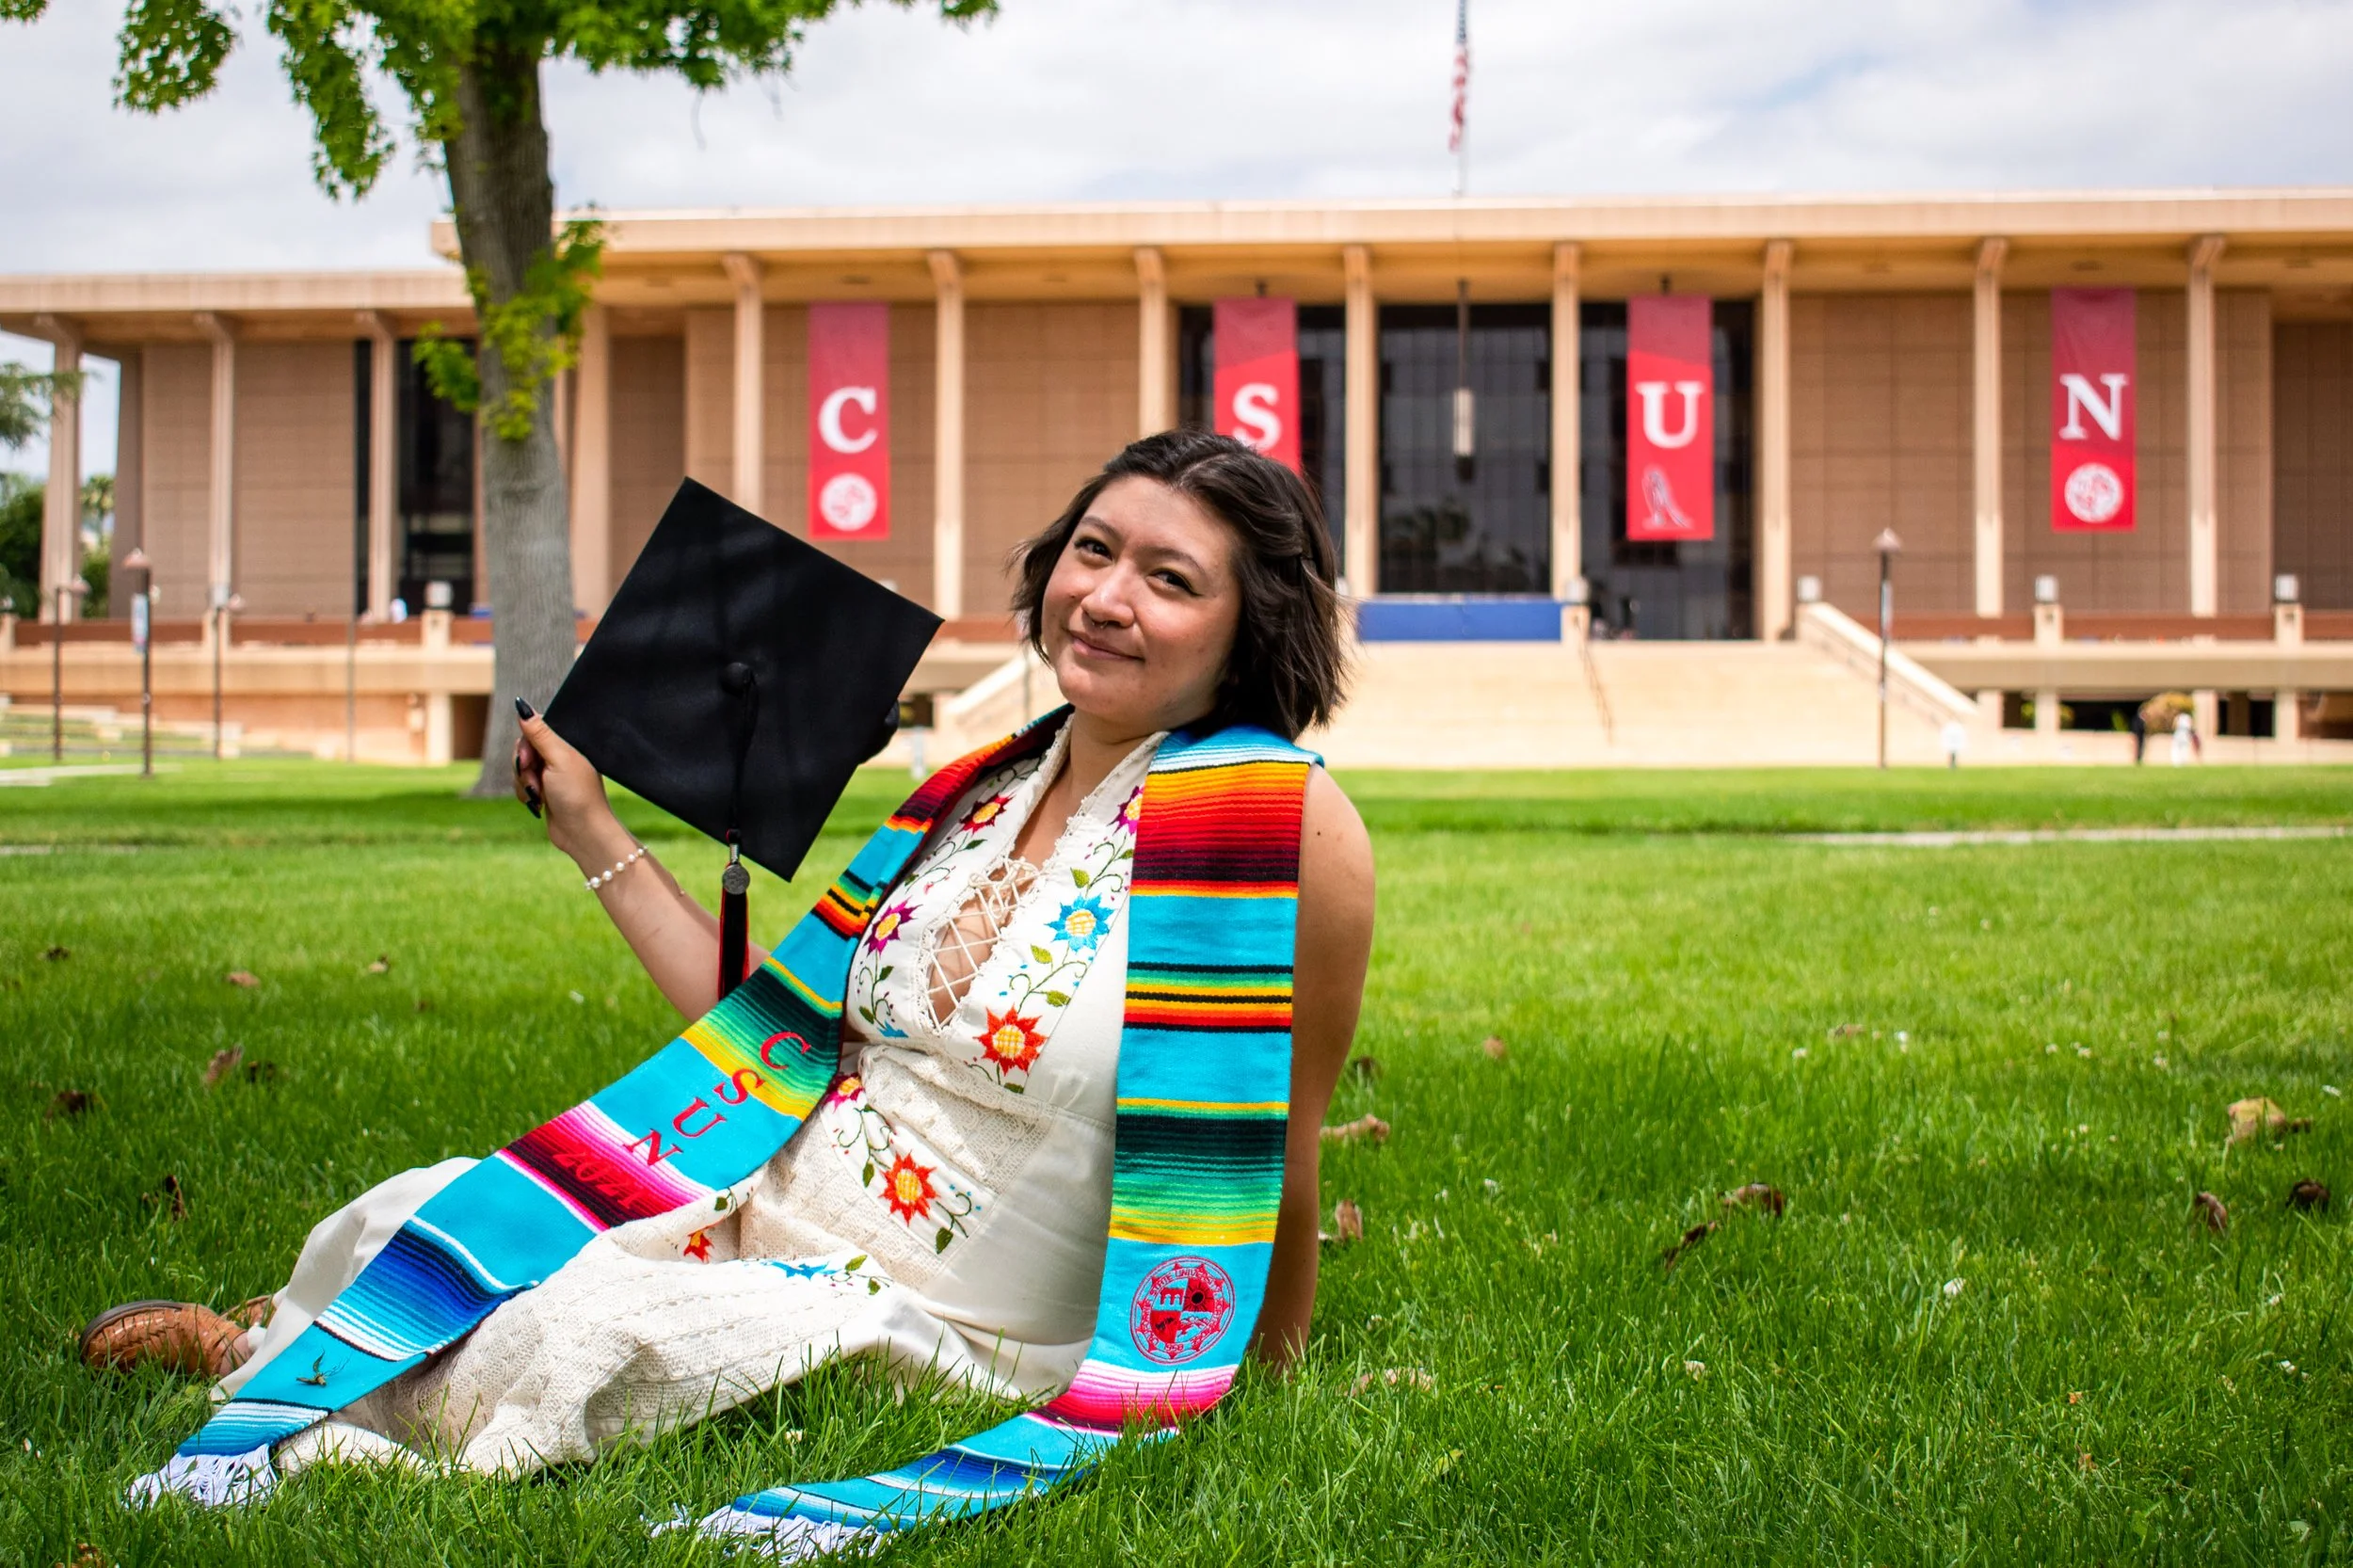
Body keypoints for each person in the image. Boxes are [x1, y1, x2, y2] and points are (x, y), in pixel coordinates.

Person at [81, 430, 1377, 1487]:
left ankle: (315, 1410)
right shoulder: (976, 788)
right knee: (442, 1205)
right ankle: (279, 1340)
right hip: (757, 1212)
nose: (1106, 595)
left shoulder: (1280, 827)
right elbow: (774, 1037)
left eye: (1170, 577)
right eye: (1095, 549)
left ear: (1244, 627)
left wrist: (1252, 1377)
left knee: (578, 1331)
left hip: (936, 1319)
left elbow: (1285, 1142)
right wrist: (589, 822)